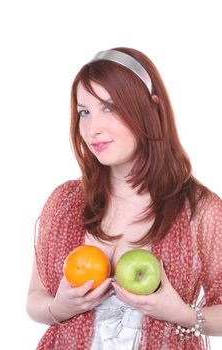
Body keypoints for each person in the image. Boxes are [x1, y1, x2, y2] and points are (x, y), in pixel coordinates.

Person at [26, 47, 222, 350]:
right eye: (84, 112)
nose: (93, 129)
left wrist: (182, 314)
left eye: (110, 108)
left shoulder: (200, 211)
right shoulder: (65, 201)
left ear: (150, 109)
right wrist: (60, 309)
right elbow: (34, 300)